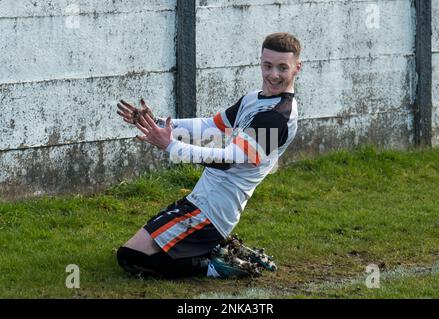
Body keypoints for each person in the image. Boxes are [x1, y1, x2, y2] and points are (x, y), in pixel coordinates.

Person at [115, 32, 302, 279]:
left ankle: (216, 266)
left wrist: (170, 145)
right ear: (260, 62)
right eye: (267, 66)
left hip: (213, 212)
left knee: (130, 257)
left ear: (297, 68)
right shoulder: (253, 99)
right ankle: (217, 250)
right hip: (200, 199)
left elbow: (228, 159)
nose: (273, 75)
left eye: (282, 68)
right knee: (137, 249)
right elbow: (210, 125)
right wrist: (157, 122)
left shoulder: (277, 116)